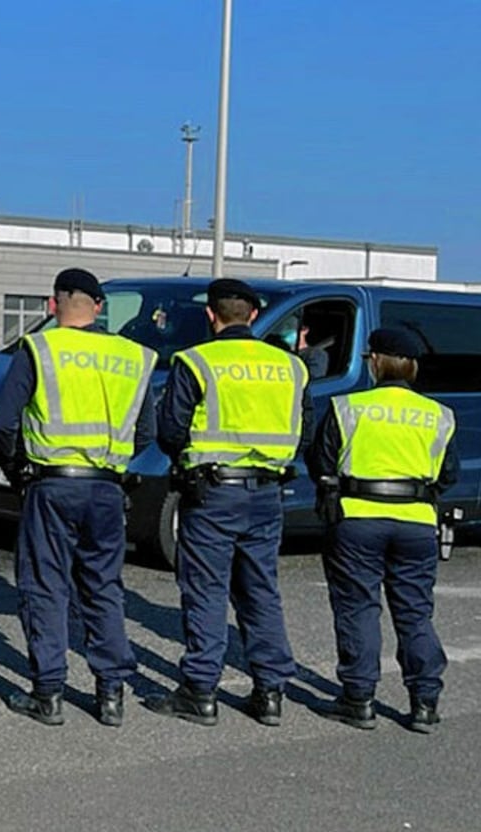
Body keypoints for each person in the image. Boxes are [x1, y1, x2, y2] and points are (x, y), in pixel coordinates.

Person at [0, 268, 157, 726]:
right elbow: (146, 434)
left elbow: (2, 422)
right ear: (100, 308)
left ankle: (48, 693)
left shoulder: (40, 348)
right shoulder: (134, 357)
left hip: (52, 484)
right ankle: (110, 694)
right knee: (102, 587)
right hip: (106, 487)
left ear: (52, 305)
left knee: (45, 585)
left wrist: (17, 469)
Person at [145, 278, 309, 726]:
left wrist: (189, 460)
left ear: (211, 315)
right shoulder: (290, 366)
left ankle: (200, 691)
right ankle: (270, 692)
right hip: (268, 493)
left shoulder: (197, 361)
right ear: (253, 316)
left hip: (213, 492)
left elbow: (170, 429)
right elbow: (304, 426)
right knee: (261, 591)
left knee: (207, 591)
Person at [307, 327, 458, 731]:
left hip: (357, 519)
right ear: (412, 367)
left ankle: (358, 700)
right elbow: (448, 474)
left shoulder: (347, 407)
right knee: (414, 613)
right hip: (417, 522)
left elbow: (321, 463)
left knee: (359, 608)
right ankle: (425, 702)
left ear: (375, 361)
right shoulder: (439, 415)